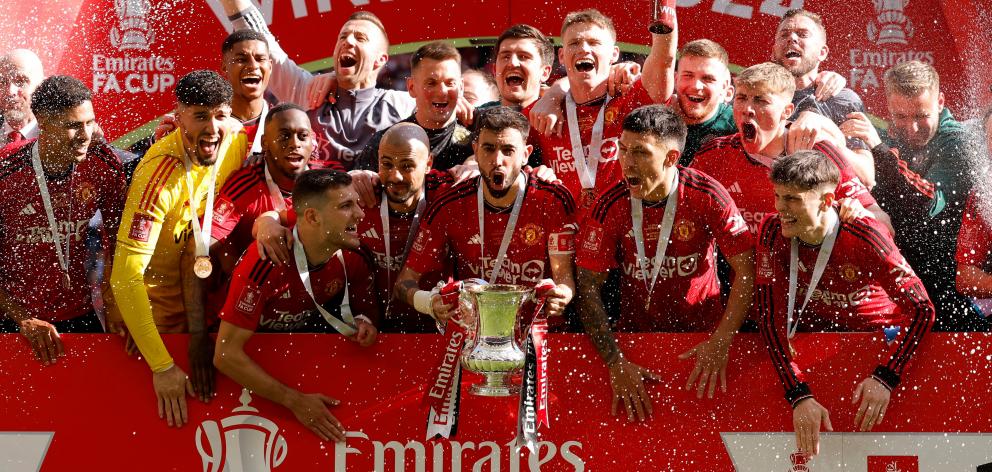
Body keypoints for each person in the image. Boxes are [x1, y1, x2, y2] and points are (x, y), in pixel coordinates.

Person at [575, 105, 754, 421]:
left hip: (703, 345)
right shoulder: (610, 205)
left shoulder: (707, 195)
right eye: (623, 149)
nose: (626, 162)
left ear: (671, 158)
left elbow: (746, 270)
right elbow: (588, 286)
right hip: (636, 345)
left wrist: (722, 339)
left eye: (641, 153)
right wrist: (615, 360)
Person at [755, 150, 934, 456]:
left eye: (793, 200)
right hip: (815, 351)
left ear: (826, 201)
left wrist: (886, 377)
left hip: (877, 350)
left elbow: (922, 310)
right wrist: (797, 394)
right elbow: (767, 316)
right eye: (778, 196)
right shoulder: (772, 231)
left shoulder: (863, 233)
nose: (780, 209)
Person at [110, 70, 247, 428]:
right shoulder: (158, 174)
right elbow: (125, 278)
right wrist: (161, 363)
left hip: (207, 312)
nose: (213, 128)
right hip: (157, 325)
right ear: (179, 114)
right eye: (200, 116)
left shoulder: (235, 139)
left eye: (220, 115)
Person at [214, 169, 378, 443]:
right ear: (313, 217)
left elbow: (366, 311)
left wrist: (366, 322)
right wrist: (295, 401)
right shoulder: (266, 260)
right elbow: (225, 355)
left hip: (300, 372)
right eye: (347, 206)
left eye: (357, 204)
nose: (360, 215)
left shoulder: (356, 255)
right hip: (248, 387)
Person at [394, 106, 575, 323]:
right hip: (474, 331)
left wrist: (562, 295)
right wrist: (430, 302)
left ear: (526, 154)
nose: (497, 160)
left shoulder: (551, 200)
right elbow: (404, 283)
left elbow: (564, 277)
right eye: (489, 149)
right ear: (476, 150)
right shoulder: (450, 205)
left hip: (535, 329)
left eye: (508, 150)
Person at [0, 75, 127, 364]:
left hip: (81, 317)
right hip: (14, 322)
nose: (86, 134)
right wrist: (23, 320)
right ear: (42, 122)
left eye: (89, 122)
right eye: (73, 126)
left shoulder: (102, 163)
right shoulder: (6, 169)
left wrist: (116, 299)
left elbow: (121, 241)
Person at [691, 62, 884, 236]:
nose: (747, 109)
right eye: (741, 98)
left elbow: (883, 222)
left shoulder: (818, 153)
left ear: (787, 111)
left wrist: (858, 215)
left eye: (761, 100)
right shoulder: (714, 154)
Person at [222, 0, 416, 170]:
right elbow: (260, 37)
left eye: (360, 38)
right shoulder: (310, 92)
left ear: (380, 60)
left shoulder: (404, 106)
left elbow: (443, 101)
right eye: (343, 36)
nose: (347, 41)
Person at [866, 60, 985, 331]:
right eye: (901, 117)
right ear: (889, 109)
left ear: (940, 102)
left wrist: (880, 152)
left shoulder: (958, 142)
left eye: (921, 116)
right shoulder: (889, 137)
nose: (912, 128)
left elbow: (933, 206)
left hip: (948, 286)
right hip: (902, 279)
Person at [527, 9, 677, 221]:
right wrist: (470, 164)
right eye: (574, 43)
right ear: (562, 56)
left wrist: (665, 11)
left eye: (594, 43)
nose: (584, 49)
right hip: (565, 239)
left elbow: (665, 59)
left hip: (627, 232)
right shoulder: (543, 112)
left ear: (614, 54)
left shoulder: (631, 97)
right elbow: (502, 145)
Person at [355, 123, 455, 332]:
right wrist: (270, 220)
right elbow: (303, 208)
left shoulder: (449, 194)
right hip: (372, 329)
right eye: (387, 164)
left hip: (436, 330)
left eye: (407, 166)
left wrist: (472, 165)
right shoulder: (360, 196)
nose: (395, 176)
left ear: (428, 164)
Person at [355, 41, 473, 172]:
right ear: (411, 87)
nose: (442, 92)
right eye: (431, 83)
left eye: (450, 83)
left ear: (461, 87)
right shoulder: (384, 142)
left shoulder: (478, 142)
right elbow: (356, 188)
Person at [0, 49, 44, 147]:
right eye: (3, 82)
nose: (10, 91)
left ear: (40, 86)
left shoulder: (55, 136)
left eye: (20, 81)